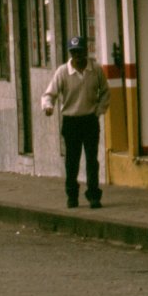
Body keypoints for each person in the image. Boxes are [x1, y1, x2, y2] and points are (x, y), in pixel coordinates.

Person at [42, 36, 110, 209]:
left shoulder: (95, 70)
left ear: (85, 52)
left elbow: (105, 93)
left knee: (91, 160)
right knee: (72, 161)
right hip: (71, 121)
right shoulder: (63, 72)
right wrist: (48, 106)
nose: (77, 56)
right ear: (70, 54)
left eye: (79, 52)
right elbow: (49, 94)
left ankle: (94, 195)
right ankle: (72, 195)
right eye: (73, 53)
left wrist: (99, 111)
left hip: (89, 120)